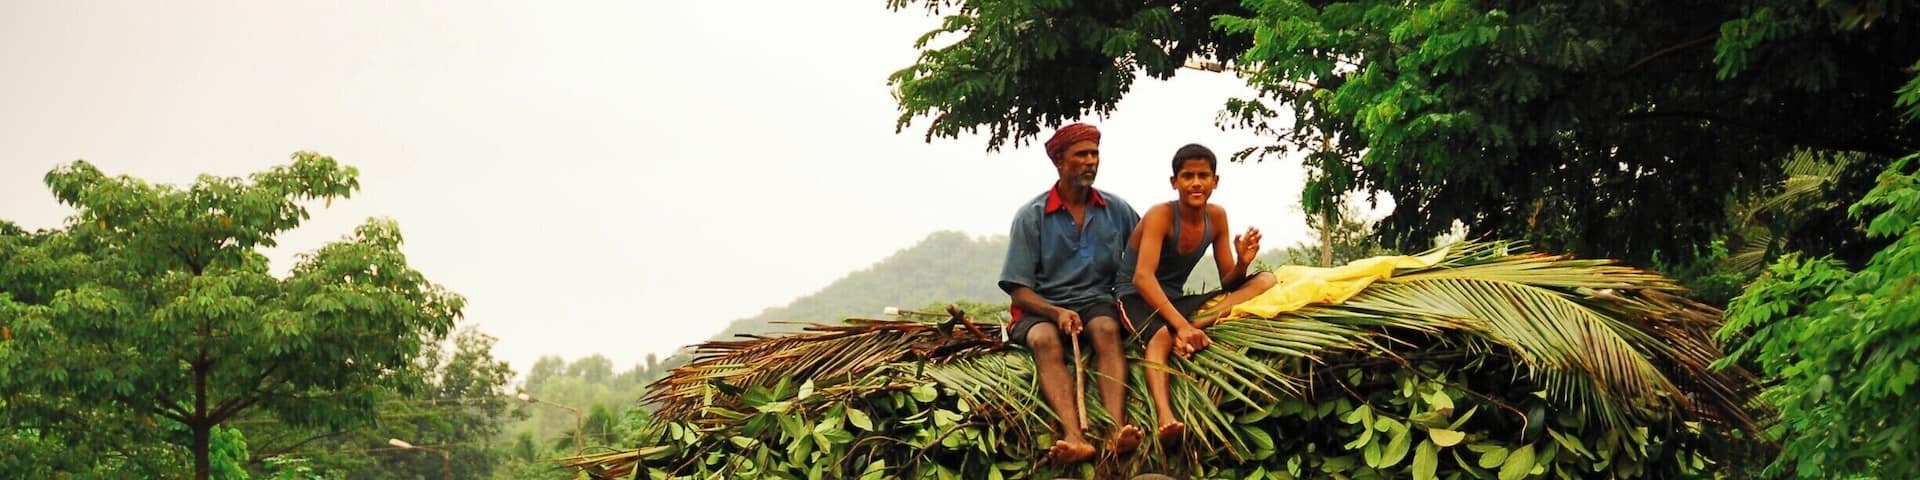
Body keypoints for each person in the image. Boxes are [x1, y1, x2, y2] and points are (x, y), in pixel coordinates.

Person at [998, 123, 1143, 464]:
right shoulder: (1032, 216)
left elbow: (1145, 255)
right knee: (1046, 339)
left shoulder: (1116, 209)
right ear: (1060, 161)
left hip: (1096, 304)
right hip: (1040, 309)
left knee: (1107, 330)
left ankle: (1114, 430)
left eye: (1094, 154)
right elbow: (1018, 291)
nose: (1091, 161)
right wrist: (1055, 312)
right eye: (1081, 155)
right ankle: (1074, 436)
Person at [1116, 143, 1278, 448]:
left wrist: (1243, 261)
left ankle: (1192, 329)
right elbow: (1142, 277)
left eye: (1203, 175)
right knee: (1161, 336)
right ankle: (1166, 417)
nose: (1196, 183)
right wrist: (1182, 326)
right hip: (1135, 296)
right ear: (1174, 182)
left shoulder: (1216, 217)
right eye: (1187, 175)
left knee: (1265, 279)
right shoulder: (1161, 215)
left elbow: (1228, 282)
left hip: (1175, 300)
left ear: (1215, 181)